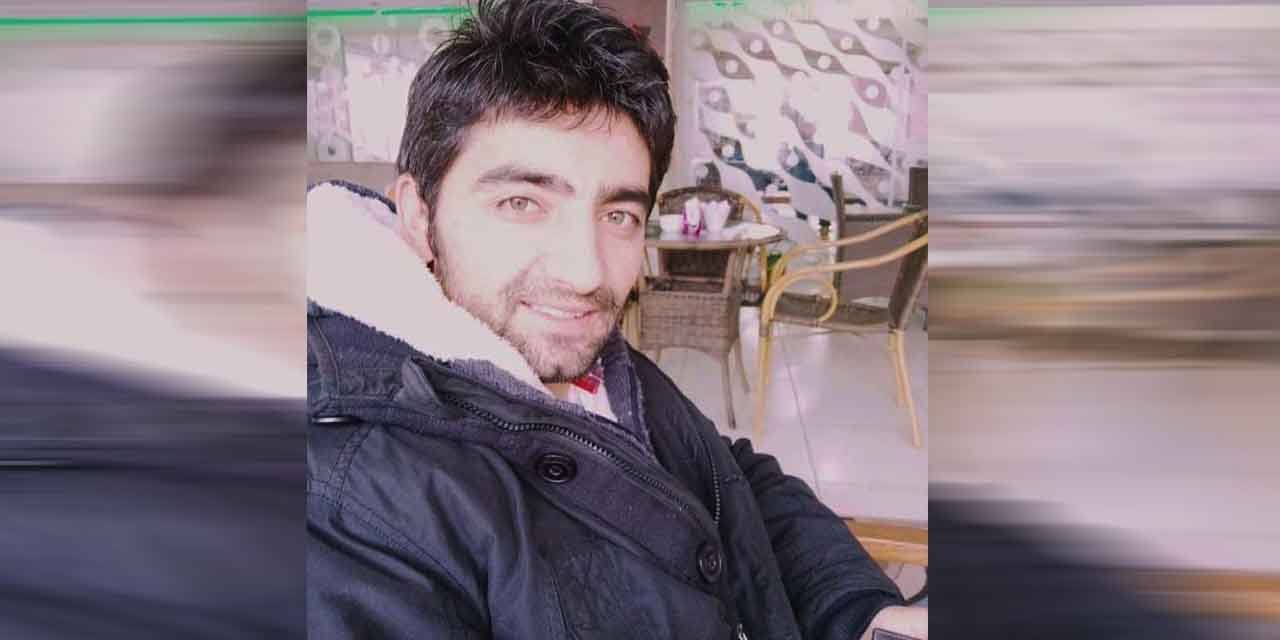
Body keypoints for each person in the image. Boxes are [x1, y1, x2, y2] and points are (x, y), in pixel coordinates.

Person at [306, 1, 924, 638]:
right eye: (522, 202)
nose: (586, 273)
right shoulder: (346, 505)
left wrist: (861, 612)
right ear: (417, 216)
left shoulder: (593, 366)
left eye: (619, 215)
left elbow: (731, 477)